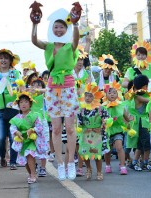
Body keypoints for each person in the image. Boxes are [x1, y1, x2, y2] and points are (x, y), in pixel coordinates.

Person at [31, 6, 81, 180]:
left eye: (62, 27)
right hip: (53, 88)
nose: (58, 30)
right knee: (57, 128)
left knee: (70, 127)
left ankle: (70, 163)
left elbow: (76, 40)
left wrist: (75, 24)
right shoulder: (49, 46)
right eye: (56, 27)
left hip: (68, 87)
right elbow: (34, 40)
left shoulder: (70, 46)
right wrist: (34, 24)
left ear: (66, 30)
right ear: (52, 29)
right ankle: (60, 164)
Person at [10, 92, 47, 184]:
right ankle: (31, 173)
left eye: (26, 102)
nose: (23, 104)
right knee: (25, 159)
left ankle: (33, 175)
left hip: (32, 140)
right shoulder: (16, 117)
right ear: (18, 105)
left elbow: (40, 126)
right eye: (21, 102)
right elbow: (12, 127)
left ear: (30, 104)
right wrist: (16, 132)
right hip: (22, 141)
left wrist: (33, 129)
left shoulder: (35, 115)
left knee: (30, 154)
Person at [77, 82, 110, 181]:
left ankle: (99, 171)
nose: (87, 98)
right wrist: (78, 124)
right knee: (85, 153)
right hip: (85, 133)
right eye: (86, 95)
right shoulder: (81, 109)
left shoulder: (100, 108)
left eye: (90, 96)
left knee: (97, 154)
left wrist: (104, 122)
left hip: (97, 134)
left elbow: (107, 119)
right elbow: (78, 121)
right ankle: (88, 168)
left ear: (95, 97)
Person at [102, 81, 133, 175]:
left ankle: (122, 166)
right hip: (107, 131)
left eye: (114, 92)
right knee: (108, 150)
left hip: (118, 130)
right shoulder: (103, 107)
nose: (112, 94)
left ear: (118, 94)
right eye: (110, 92)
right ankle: (107, 165)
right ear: (106, 94)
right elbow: (101, 119)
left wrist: (129, 123)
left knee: (119, 147)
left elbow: (126, 117)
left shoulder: (121, 106)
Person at [127, 75, 151, 171]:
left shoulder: (139, 95)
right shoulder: (138, 97)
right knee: (146, 144)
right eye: (147, 86)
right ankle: (145, 162)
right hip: (140, 123)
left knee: (140, 144)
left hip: (142, 122)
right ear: (144, 87)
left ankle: (135, 162)